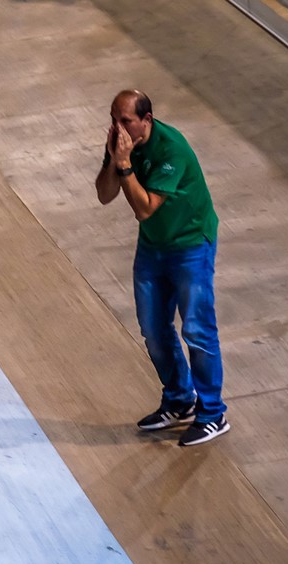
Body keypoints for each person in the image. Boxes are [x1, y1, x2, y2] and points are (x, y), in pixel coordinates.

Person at [95, 89, 230, 446]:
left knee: (197, 330)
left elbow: (144, 209)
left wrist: (125, 165)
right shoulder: (121, 144)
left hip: (190, 246)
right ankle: (179, 399)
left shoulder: (172, 150)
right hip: (153, 247)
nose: (118, 127)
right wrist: (114, 161)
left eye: (125, 121)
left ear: (147, 121)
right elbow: (105, 194)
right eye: (113, 119)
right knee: (153, 329)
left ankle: (213, 413)